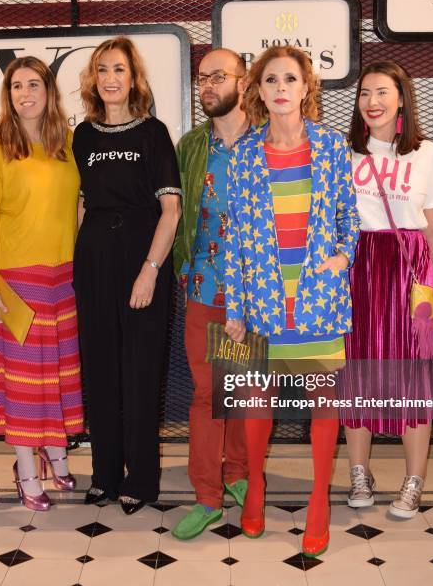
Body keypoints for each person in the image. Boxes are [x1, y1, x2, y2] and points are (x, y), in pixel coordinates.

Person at [224, 45, 359, 556]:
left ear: (307, 88)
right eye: (271, 80)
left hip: (318, 299)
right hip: (261, 300)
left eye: (291, 79)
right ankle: (254, 487)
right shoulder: (242, 155)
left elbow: (349, 217)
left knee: (324, 408)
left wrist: (342, 258)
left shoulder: (331, 146)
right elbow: (234, 237)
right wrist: (235, 308)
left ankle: (320, 500)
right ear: (258, 90)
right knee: (255, 406)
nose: (281, 87)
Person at [72, 36, 182, 515]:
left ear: (133, 78)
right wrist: (81, 264)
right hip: (95, 263)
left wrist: (149, 271)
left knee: (139, 373)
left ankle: (141, 478)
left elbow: (172, 210)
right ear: (93, 80)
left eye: (119, 69)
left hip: (143, 262)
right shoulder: (84, 136)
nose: (110, 79)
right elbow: (81, 203)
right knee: (99, 372)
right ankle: (104, 475)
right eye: (102, 70)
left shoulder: (154, 133)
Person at [341, 60, 433, 518]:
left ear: (402, 97)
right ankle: (359, 473)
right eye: (365, 93)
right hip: (358, 270)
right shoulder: (343, 153)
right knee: (357, 374)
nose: (373, 102)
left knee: (417, 377)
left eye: (382, 92)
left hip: (415, 272)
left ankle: (413, 480)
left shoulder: (430, 155)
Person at [0, 56, 84, 511]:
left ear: (49, 90)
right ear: (8, 95)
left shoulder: (68, 141)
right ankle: (26, 470)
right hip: (17, 280)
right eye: (17, 86)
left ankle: (55, 453)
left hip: (65, 276)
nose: (26, 93)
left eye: (34, 84)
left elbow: (80, 207)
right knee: (25, 384)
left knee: (59, 376)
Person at [170, 48, 249, 540]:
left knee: (243, 390)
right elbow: (176, 211)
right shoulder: (192, 145)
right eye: (202, 78)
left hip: (254, 290)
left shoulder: (267, 142)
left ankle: (240, 476)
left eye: (218, 77)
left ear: (244, 82)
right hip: (203, 284)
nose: (207, 86)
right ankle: (206, 496)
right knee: (206, 393)